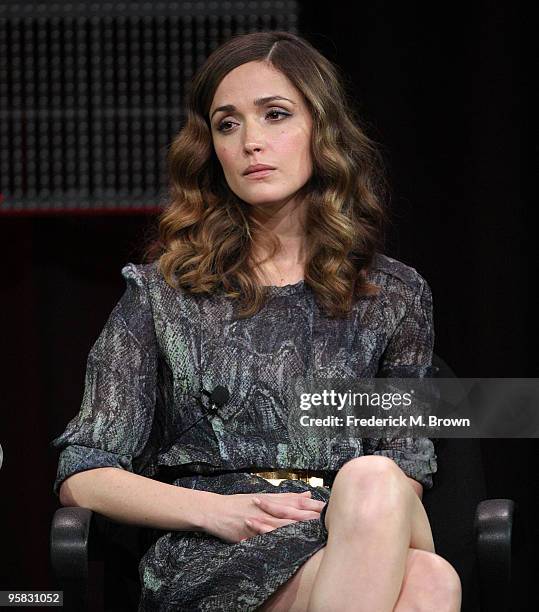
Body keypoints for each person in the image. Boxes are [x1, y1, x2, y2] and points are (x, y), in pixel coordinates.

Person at [51, 30, 461, 612]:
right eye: (228, 124)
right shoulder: (164, 294)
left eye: (275, 115)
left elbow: (406, 462)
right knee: (430, 583)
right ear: (211, 149)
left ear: (323, 131)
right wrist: (216, 511)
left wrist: (351, 521)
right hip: (218, 547)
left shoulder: (391, 294)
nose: (251, 142)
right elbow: (84, 470)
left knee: (375, 479)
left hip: (356, 523)